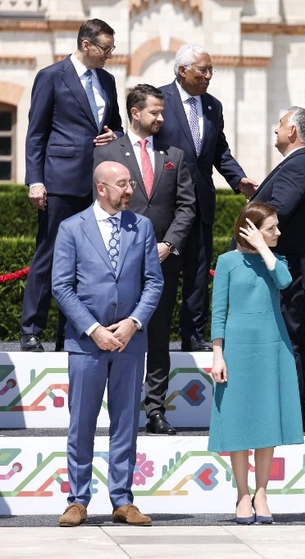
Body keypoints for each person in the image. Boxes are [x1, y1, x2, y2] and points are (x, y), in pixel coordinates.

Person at [51, 161, 163, 527]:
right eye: (122, 185)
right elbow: (61, 286)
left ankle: (122, 499)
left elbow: (153, 283)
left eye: (130, 183)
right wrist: (93, 328)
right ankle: (77, 500)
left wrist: (133, 323)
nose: (129, 191)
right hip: (86, 344)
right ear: (101, 188)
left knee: (126, 423)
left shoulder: (142, 226)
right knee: (81, 423)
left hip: (130, 342)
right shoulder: (71, 228)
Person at [94, 84, 196, 436]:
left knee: (158, 338)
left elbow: (186, 207)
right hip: (118, 265)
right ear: (135, 113)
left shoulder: (174, 155)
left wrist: (169, 244)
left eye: (162, 112)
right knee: (119, 334)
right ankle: (121, 410)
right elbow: (100, 204)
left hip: (162, 261)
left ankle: (155, 409)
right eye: (155, 112)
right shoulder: (107, 151)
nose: (161, 118)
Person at [21, 18, 123, 352]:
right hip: (60, 180)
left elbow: (117, 126)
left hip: (96, 185)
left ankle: (71, 332)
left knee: (84, 262)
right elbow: (36, 134)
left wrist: (115, 135)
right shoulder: (52, 76)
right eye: (105, 48)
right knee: (48, 254)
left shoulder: (107, 81)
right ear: (85, 44)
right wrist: (35, 180)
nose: (109, 54)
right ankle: (31, 330)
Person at [155, 44, 259, 352]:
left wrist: (238, 178)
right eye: (203, 70)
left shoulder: (213, 105)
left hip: (201, 201)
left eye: (211, 70)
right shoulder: (159, 100)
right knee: (164, 271)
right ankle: (157, 335)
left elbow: (219, 151)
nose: (209, 76)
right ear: (183, 71)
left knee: (198, 271)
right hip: (166, 203)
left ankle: (193, 334)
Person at [209, 202, 304, 524]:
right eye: (271, 228)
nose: (278, 232)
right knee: (238, 423)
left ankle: (261, 492)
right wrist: (218, 355)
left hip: (272, 347)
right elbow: (218, 311)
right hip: (237, 348)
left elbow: (284, 281)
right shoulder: (227, 262)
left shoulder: (276, 260)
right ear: (250, 230)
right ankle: (241, 494)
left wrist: (264, 249)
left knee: (266, 422)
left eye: (277, 227)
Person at [251, 106, 305, 431]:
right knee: (293, 341)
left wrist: (248, 234)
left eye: (280, 124)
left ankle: (294, 413)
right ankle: (294, 411)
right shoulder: (304, 164)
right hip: (296, 270)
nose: (275, 129)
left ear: (293, 131)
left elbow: (276, 212)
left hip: (290, 272)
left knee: (290, 342)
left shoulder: (298, 167)